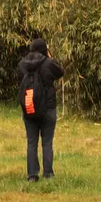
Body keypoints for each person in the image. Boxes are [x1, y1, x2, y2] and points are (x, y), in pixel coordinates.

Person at [17, 37, 65, 181]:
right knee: (47, 142)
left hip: (29, 106)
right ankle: (48, 173)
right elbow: (60, 72)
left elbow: (20, 79)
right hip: (47, 107)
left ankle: (32, 175)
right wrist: (50, 56)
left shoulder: (22, 64)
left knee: (31, 142)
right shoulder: (48, 63)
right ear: (45, 49)